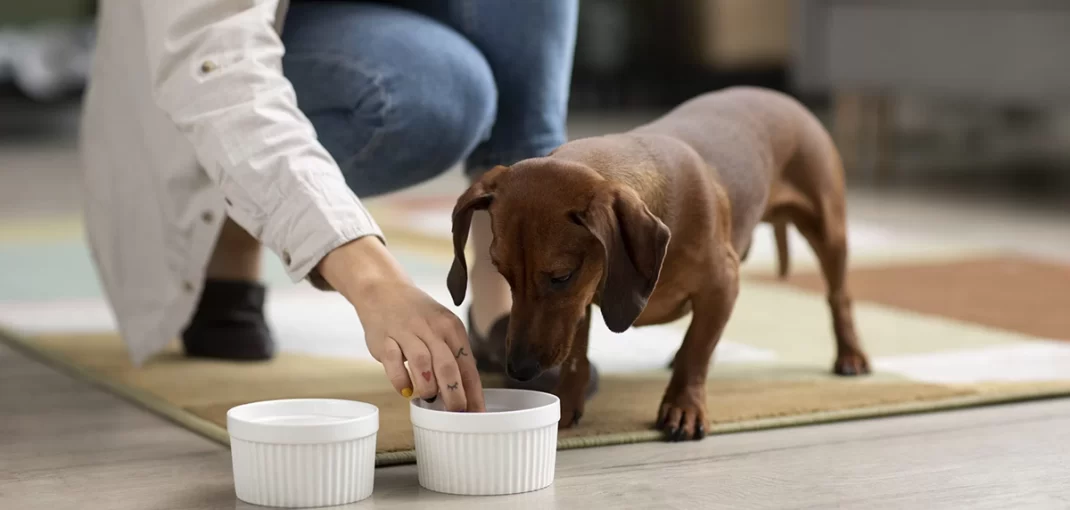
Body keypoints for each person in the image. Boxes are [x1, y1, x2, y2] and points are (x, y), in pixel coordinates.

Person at [78, 0, 595, 413]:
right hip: (245, 43)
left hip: (393, 18)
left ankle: (500, 294)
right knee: (439, 95)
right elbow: (215, 63)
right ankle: (229, 232)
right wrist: (373, 280)